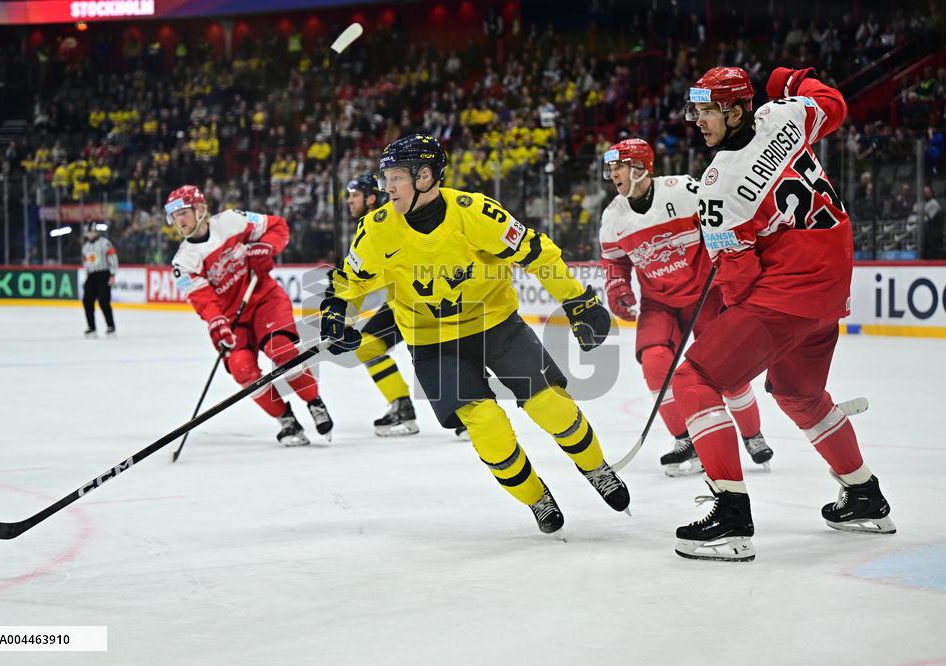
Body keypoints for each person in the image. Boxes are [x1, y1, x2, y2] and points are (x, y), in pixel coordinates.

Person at [321, 133, 630, 535]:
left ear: (426, 175)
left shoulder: (475, 212)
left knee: (550, 405)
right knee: (486, 426)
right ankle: (536, 497)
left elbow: (536, 252)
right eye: (386, 177)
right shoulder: (377, 228)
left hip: (496, 324)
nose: (388, 186)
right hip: (431, 340)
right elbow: (350, 280)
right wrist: (334, 313)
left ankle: (596, 469)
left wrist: (578, 302)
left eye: (397, 176)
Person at [674, 66, 895, 561]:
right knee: (799, 394)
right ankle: (864, 495)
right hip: (830, 288)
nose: (698, 121)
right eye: (696, 110)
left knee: (694, 378)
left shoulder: (718, 182)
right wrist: (787, 79)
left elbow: (737, 278)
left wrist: (732, 322)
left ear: (734, 110)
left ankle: (731, 517)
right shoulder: (785, 115)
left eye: (708, 110)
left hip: (786, 296)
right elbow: (833, 103)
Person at [599, 138, 772, 477]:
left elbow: (721, 222)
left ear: (639, 168)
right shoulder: (613, 216)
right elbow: (614, 259)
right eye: (611, 168)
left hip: (707, 293)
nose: (613, 174)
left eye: (618, 166)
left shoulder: (684, 191)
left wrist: (730, 263)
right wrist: (616, 283)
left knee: (726, 369)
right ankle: (685, 438)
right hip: (659, 301)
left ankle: (752, 434)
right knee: (654, 363)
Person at [166, 185, 333, 446]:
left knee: (281, 349)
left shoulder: (232, 220)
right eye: (175, 216)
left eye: (183, 213)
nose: (179, 221)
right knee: (242, 369)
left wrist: (266, 246)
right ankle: (286, 420)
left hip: (264, 299)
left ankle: (314, 401)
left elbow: (278, 226)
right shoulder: (183, 262)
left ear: (199, 210)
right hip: (231, 320)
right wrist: (217, 323)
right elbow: (203, 300)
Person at [343, 174, 420, 437]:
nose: (349, 201)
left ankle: (470, 410)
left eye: (354, 195)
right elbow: (362, 278)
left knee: (442, 353)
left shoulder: (389, 220)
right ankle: (402, 407)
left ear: (371, 198)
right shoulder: (372, 225)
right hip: (402, 301)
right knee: (368, 345)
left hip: (427, 299)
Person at [81, 221, 117, 337]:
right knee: (87, 301)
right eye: (88, 232)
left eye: (92, 231)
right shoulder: (85, 247)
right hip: (91, 275)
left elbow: (113, 258)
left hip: (103, 274)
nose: (90, 234)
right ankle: (91, 327)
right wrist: (86, 277)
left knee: (104, 301)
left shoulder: (105, 243)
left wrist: (112, 274)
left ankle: (110, 326)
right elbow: (86, 263)